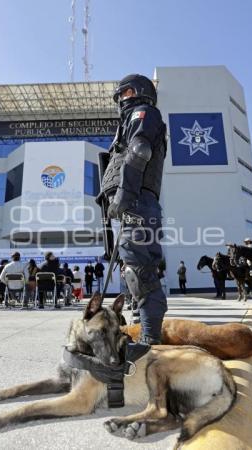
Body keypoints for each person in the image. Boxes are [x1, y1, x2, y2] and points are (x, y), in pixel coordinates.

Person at [97, 74, 167, 344]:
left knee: (140, 272)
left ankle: (150, 341)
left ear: (139, 92)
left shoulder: (144, 112)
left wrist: (124, 195)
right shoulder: (131, 120)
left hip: (135, 201)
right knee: (135, 269)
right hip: (133, 203)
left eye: (124, 93)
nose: (120, 99)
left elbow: (138, 150)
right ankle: (143, 330)